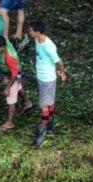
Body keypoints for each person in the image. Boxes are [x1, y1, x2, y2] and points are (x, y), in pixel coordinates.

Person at [28, 20, 66, 148]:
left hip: (47, 79)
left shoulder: (49, 46)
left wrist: (62, 73)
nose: (29, 32)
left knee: (44, 105)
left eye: (31, 30)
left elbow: (59, 61)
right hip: (42, 77)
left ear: (37, 31)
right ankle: (49, 128)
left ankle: (41, 136)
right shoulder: (37, 40)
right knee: (49, 102)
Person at [0, 35, 29, 131]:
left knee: (10, 99)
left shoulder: (8, 57)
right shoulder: (6, 43)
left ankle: (10, 122)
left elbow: (14, 74)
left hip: (13, 76)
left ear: (2, 46)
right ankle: (27, 102)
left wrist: (8, 88)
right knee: (19, 87)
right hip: (12, 72)